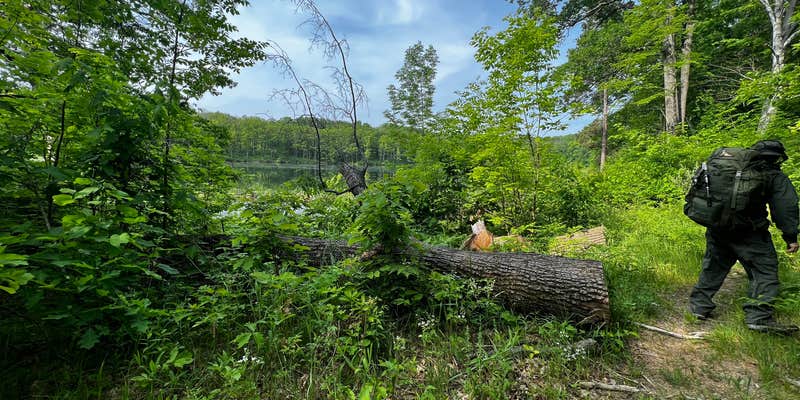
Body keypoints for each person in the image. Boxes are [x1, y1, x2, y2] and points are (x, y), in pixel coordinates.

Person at [689, 140, 800, 334]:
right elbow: (785, 207)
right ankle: (758, 317)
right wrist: (790, 236)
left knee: (713, 266)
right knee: (764, 271)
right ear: (778, 158)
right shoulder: (773, 175)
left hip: (718, 228)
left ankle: (698, 307)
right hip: (751, 233)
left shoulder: (731, 169)